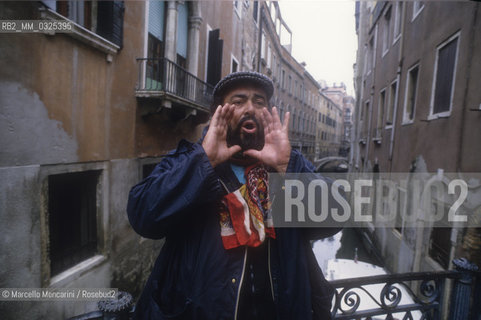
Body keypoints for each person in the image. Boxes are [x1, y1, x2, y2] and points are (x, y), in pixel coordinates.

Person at [127, 71, 339, 319]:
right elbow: (143, 216)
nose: (250, 108)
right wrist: (203, 163)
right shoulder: (188, 159)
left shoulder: (289, 165)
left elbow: (334, 217)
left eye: (259, 102)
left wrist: (286, 168)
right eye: (238, 101)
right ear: (220, 113)